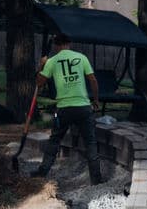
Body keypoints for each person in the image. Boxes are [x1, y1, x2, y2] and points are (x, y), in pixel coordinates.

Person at [32, 33, 101, 183]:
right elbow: (93, 80)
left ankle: (42, 172)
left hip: (63, 109)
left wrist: (41, 66)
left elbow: (39, 83)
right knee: (90, 142)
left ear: (56, 45)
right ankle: (96, 180)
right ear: (69, 43)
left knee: (54, 140)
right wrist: (95, 100)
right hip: (83, 107)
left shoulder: (52, 61)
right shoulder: (81, 57)